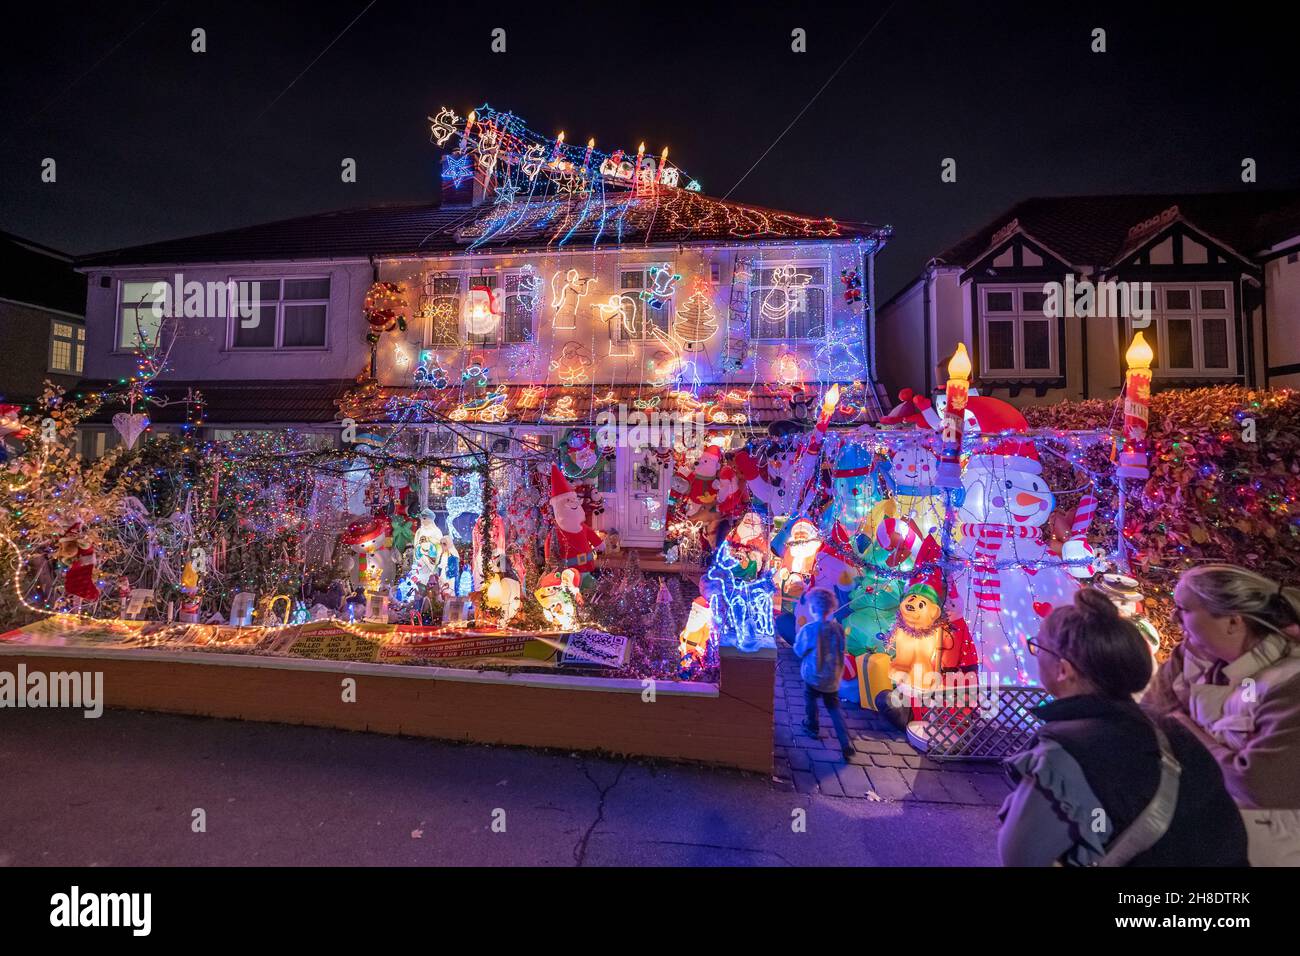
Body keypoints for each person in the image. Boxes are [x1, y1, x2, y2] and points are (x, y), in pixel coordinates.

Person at [999, 588, 1248, 866]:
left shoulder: (1065, 752)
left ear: (1063, 670)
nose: (1035, 654)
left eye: (1038, 647)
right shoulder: (1172, 732)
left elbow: (1020, 856)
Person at [1143, 565, 1300, 866]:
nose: (1176, 619)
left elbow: (1260, 783)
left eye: (1184, 609)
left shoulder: (1289, 683)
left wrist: (1188, 732)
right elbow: (1149, 720)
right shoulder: (1195, 665)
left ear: (1232, 622)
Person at [793, 588, 855, 760]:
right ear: (832, 608)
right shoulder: (838, 629)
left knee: (810, 700)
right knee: (834, 708)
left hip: (813, 676)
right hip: (832, 678)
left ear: (812, 608)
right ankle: (845, 743)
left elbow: (798, 651)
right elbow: (842, 649)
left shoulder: (809, 630)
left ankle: (812, 726)